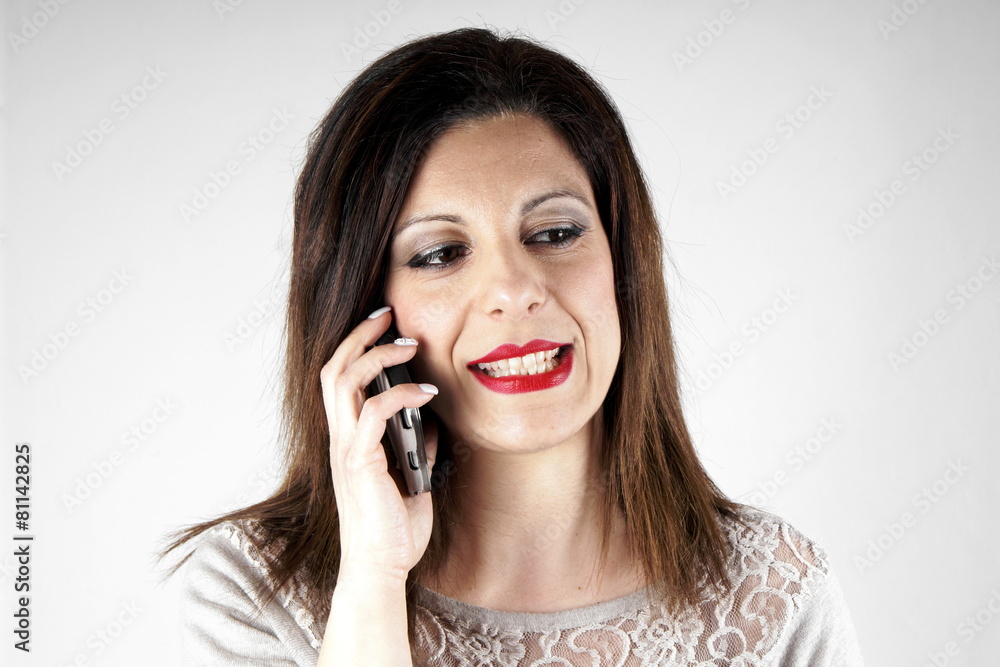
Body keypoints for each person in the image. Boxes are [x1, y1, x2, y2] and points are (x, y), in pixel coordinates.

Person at [159, 26, 865, 666]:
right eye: (440, 253)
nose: (515, 290)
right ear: (362, 311)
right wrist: (373, 577)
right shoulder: (251, 594)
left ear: (622, 264)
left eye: (555, 234)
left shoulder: (774, 592)